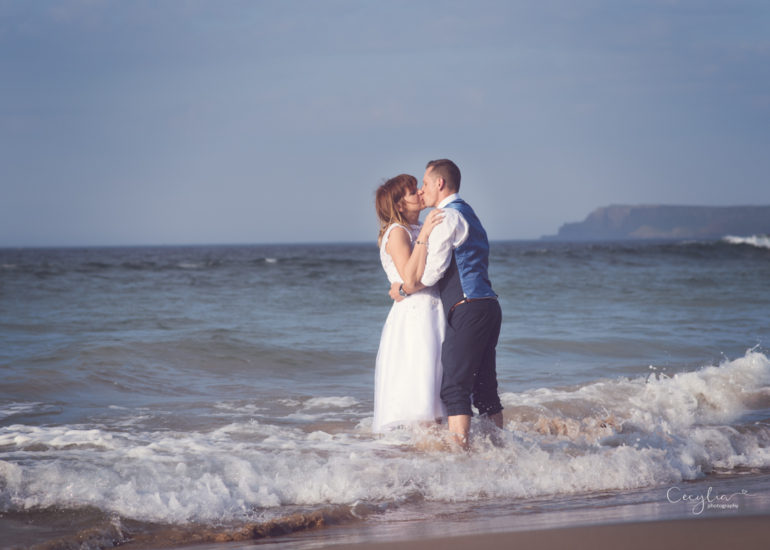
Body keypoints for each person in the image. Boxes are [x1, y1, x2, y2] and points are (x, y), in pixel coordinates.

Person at [394, 159, 503, 449]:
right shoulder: (468, 212)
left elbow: (430, 275)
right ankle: (502, 452)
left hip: (467, 307)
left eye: (426, 183)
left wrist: (403, 288)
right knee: (484, 388)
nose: (422, 190)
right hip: (489, 305)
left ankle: (460, 460)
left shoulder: (446, 217)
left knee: (455, 387)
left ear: (440, 184)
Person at [372, 174, 446, 433]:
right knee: (421, 380)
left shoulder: (421, 225)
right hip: (416, 315)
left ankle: (439, 445)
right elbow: (409, 278)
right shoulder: (397, 232)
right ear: (400, 205)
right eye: (412, 191)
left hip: (433, 309)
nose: (419, 192)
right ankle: (421, 447)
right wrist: (402, 288)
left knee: (437, 380)